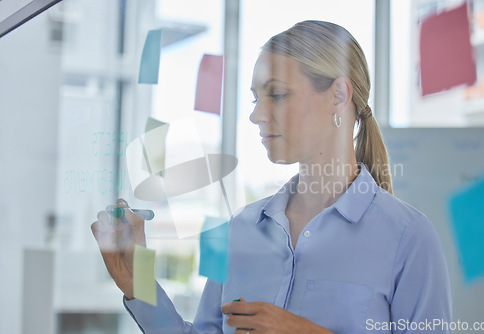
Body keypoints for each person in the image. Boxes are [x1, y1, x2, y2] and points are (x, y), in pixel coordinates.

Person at [91, 21, 452, 334]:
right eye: (255, 99)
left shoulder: (408, 239)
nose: (257, 116)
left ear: (339, 96)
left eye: (277, 95)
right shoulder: (242, 230)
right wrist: (137, 283)